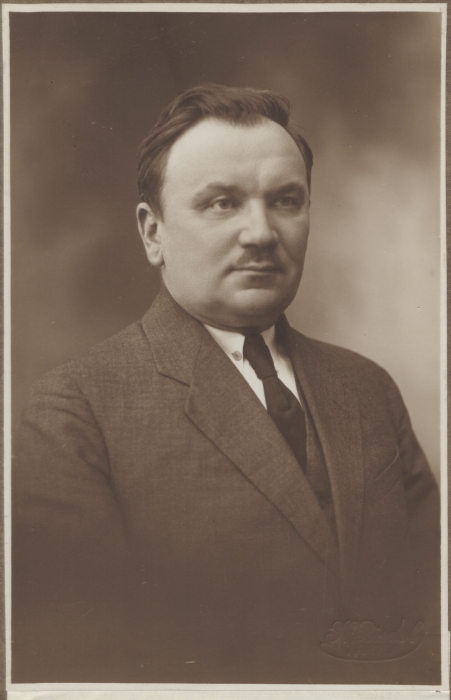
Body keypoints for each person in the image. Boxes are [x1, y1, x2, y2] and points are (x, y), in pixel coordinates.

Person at [12, 84, 440, 685]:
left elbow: (434, 610)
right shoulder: (75, 412)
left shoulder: (367, 389)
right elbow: (85, 665)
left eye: (285, 200)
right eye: (222, 203)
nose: (261, 233)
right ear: (153, 233)